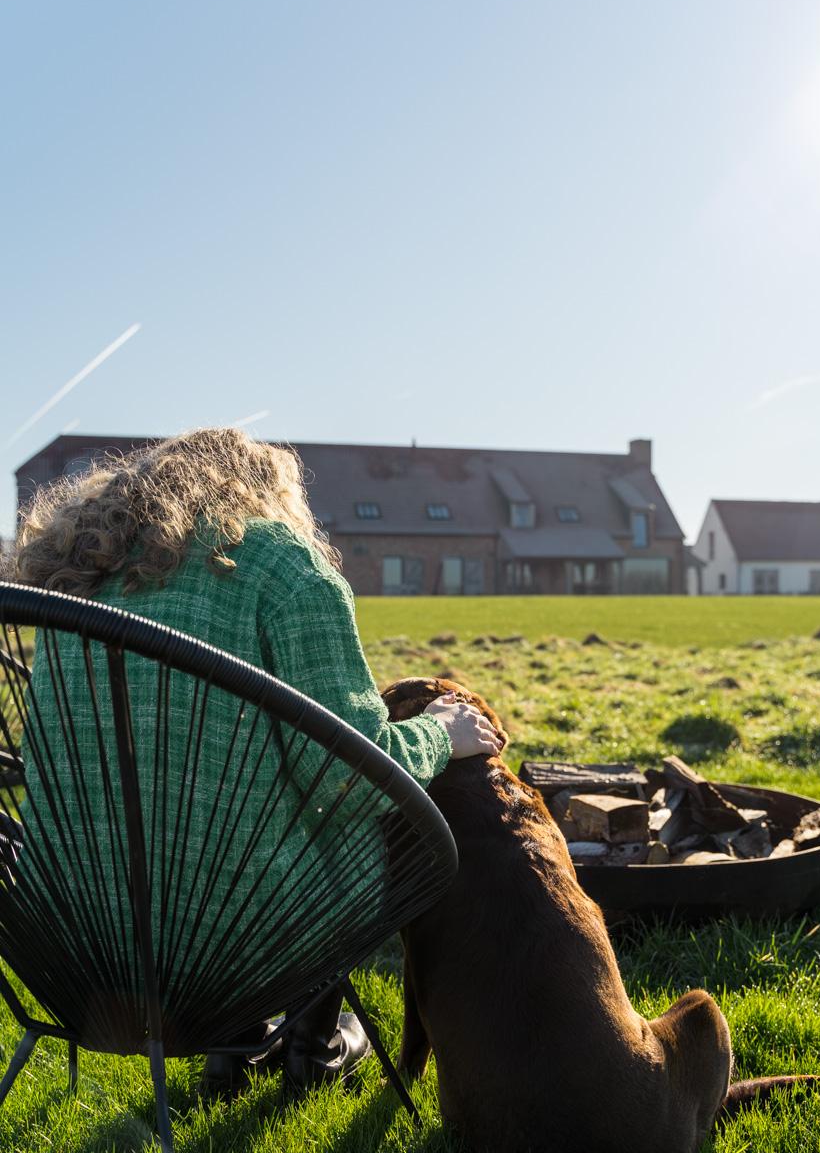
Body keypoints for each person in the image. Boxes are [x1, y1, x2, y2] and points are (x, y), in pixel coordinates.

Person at [9, 426, 501, 1095]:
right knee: (373, 811)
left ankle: (236, 1044)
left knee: (189, 803)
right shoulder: (283, 567)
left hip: (65, 941)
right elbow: (351, 780)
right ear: (268, 492)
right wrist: (442, 733)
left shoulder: (82, 572)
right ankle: (314, 1046)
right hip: (230, 939)